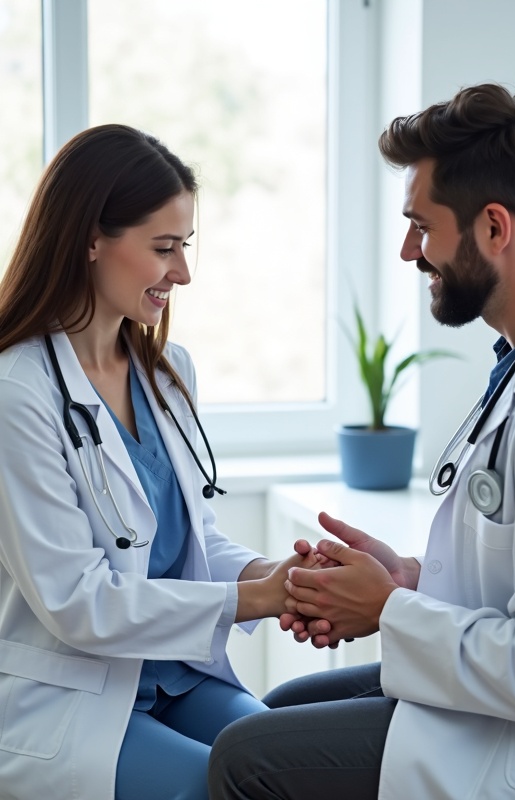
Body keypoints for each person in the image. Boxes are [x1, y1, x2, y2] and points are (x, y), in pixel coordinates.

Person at [208, 83, 515, 799]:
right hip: (492, 705)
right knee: (275, 710)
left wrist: (386, 610)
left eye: (422, 226)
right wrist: (412, 578)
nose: (410, 250)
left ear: (494, 229)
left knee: (243, 758)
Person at [0, 124, 321, 800]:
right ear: (92, 238)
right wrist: (248, 599)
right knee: (212, 789)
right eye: (163, 249)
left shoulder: (169, 373)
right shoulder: (17, 392)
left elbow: (192, 541)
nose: (183, 272)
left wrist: (277, 576)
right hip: (71, 697)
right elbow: (76, 601)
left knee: (289, 771)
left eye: (185, 247)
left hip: (176, 675)